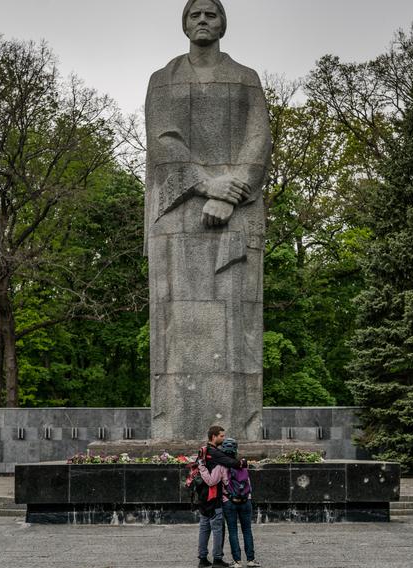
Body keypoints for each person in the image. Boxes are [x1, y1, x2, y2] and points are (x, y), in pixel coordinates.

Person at [145, 0, 272, 442]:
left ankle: (241, 430)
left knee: (237, 325)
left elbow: (259, 139)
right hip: (177, 217)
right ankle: (173, 429)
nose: (203, 20)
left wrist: (233, 189)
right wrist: (208, 185)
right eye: (195, 14)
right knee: (174, 326)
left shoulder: (245, 79)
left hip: (237, 213)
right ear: (184, 24)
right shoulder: (163, 81)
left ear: (223, 23)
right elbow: (164, 143)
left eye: (211, 14)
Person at [196, 425, 243, 567]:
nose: (223, 438)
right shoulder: (214, 452)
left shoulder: (204, 451)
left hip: (202, 496)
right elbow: (231, 462)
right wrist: (242, 463)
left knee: (204, 527)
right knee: (218, 528)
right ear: (213, 436)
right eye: (221, 436)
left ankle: (202, 559)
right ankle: (217, 559)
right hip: (213, 496)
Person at [217, 438, 260, 568]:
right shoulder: (242, 464)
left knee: (233, 531)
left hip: (229, 502)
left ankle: (237, 562)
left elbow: (214, 481)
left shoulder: (222, 466)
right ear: (236, 449)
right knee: (247, 530)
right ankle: (251, 560)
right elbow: (249, 484)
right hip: (245, 501)